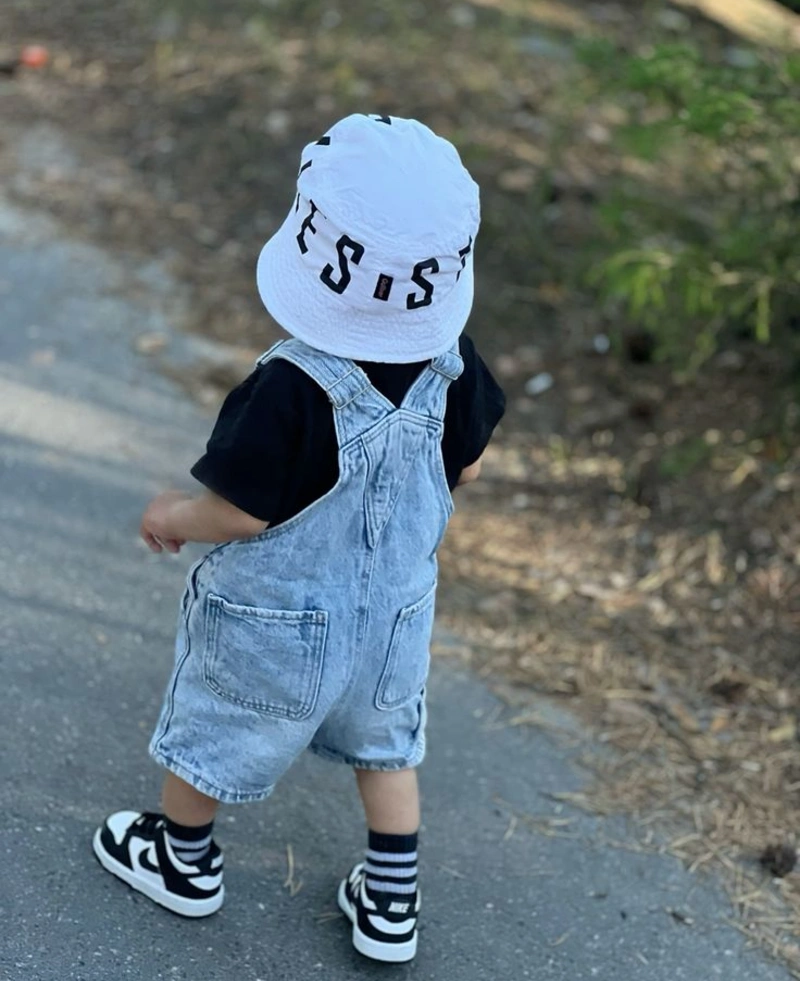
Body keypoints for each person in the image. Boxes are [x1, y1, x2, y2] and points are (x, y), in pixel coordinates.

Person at [92, 113, 505, 964]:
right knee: (387, 746)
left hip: (276, 624)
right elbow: (459, 469)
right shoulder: (455, 363)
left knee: (215, 725)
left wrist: (173, 514)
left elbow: (242, 510)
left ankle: (182, 858)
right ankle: (391, 902)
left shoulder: (290, 385)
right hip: (394, 620)